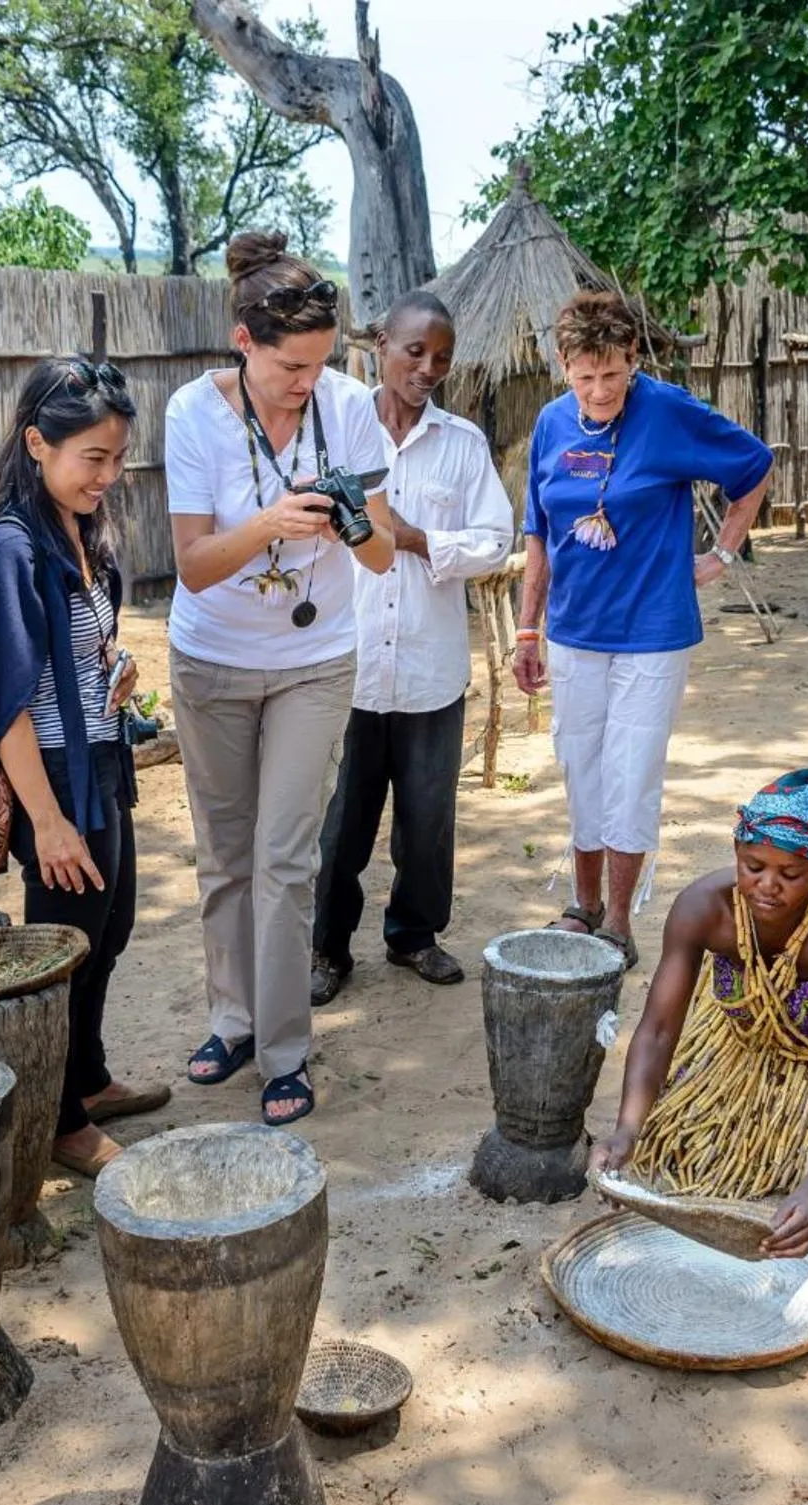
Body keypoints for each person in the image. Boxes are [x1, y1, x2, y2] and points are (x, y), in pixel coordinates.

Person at [164, 229, 399, 1127]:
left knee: (284, 858)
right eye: (289, 367)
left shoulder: (348, 408)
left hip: (312, 664)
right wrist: (271, 522)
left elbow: (380, 555)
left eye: (319, 364)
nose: (307, 384)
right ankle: (231, 1019)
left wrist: (344, 526)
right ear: (242, 343)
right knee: (224, 854)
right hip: (213, 659)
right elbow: (192, 565)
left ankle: (284, 1052)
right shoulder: (193, 413)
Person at [0, 356, 172, 1179]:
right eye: (93, 459)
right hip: (50, 778)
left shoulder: (78, 532)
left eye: (117, 460)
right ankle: (59, 1118)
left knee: (106, 934)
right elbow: (5, 702)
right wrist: (44, 821)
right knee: (62, 946)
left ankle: (89, 1075)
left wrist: (114, 670)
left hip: (100, 759)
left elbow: (70, 654)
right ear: (37, 442)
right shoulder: (11, 549)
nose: (107, 477)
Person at [513, 289, 774, 968]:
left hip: (652, 631)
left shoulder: (668, 412)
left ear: (632, 357)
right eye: (583, 378)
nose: (598, 391)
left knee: (630, 775)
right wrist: (526, 631)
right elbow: (537, 535)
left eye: (610, 373)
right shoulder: (549, 424)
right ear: (563, 370)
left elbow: (752, 466)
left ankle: (619, 923)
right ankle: (583, 903)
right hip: (573, 631)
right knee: (580, 766)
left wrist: (720, 554)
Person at [588, 769, 808, 1259]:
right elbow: (658, 1030)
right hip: (751, 1040)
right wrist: (627, 1128)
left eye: (790, 874)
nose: (768, 886)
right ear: (735, 853)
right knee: (682, 1148)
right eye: (753, 867)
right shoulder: (702, 909)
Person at [310, 291, 514, 1005]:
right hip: (348, 664)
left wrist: (415, 537)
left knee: (427, 818)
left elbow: (495, 541)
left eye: (442, 358)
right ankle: (326, 947)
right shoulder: (333, 432)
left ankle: (414, 935)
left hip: (430, 666)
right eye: (414, 351)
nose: (427, 368)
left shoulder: (460, 443)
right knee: (340, 820)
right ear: (379, 345)